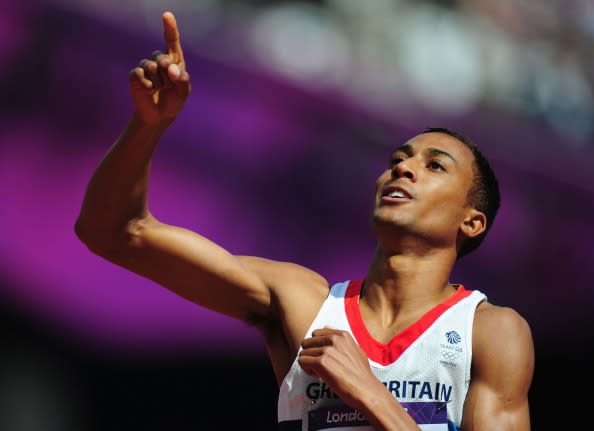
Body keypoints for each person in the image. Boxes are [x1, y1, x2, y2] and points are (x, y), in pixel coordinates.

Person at [75, 11, 534, 431]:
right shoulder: (302, 302)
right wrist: (149, 124)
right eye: (398, 158)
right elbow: (114, 232)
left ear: (471, 222)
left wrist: (371, 396)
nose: (403, 168)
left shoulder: (489, 331)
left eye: (435, 166)